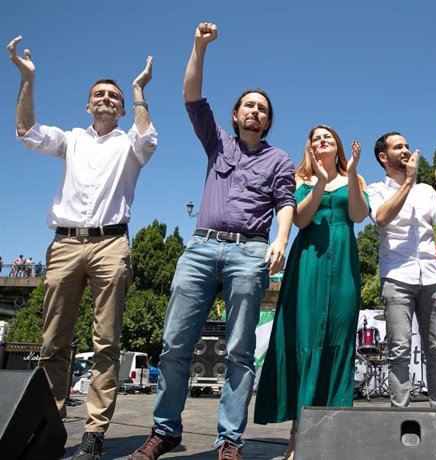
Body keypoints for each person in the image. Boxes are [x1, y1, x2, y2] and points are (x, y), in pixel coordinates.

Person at [128, 23, 295, 460]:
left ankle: (229, 441)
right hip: (200, 249)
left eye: (262, 108)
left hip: (251, 252)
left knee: (240, 351)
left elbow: (285, 202)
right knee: (174, 344)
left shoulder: (279, 159)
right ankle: (165, 432)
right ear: (236, 115)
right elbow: (191, 95)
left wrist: (280, 240)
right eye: (248, 106)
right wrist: (198, 48)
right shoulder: (217, 142)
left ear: (268, 120)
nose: (255, 112)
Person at [9, 34, 156, 460]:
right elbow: (26, 132)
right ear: (88, 105)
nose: (106, 100)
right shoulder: (70, 138)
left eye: (113, 97)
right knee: (53, 341)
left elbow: (148, 140)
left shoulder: (131, 142)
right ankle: (49, 426)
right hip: (66, 244)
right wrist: (27, 78)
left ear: (122, 109)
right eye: (99, 95)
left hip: (112, 244)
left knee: (106, 343)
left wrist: (138, 91)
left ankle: (94, 432)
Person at [254, 125, 368, 459]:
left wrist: (354, 173)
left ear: (338, 146)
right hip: (308, 265)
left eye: (328, 137)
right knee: (304, 339)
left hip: (344, 266)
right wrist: (319, 181)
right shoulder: (299, 179)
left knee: (338, 338)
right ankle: (297, 434)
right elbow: (301, 221)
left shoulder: (354, 180)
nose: (322, 141)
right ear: (310, 147)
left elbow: (359, 215)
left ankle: (330, 436)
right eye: (316, 138)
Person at [366, 132, 436, 456]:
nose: (407, 151)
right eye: (399, 147)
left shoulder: (426, 190)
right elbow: (381, 218)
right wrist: (407, 183)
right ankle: (401, 425)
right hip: (397, 276)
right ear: (384, 156)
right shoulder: (375, 189)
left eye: (408, 146)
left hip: (432, 278)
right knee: (398, 350)